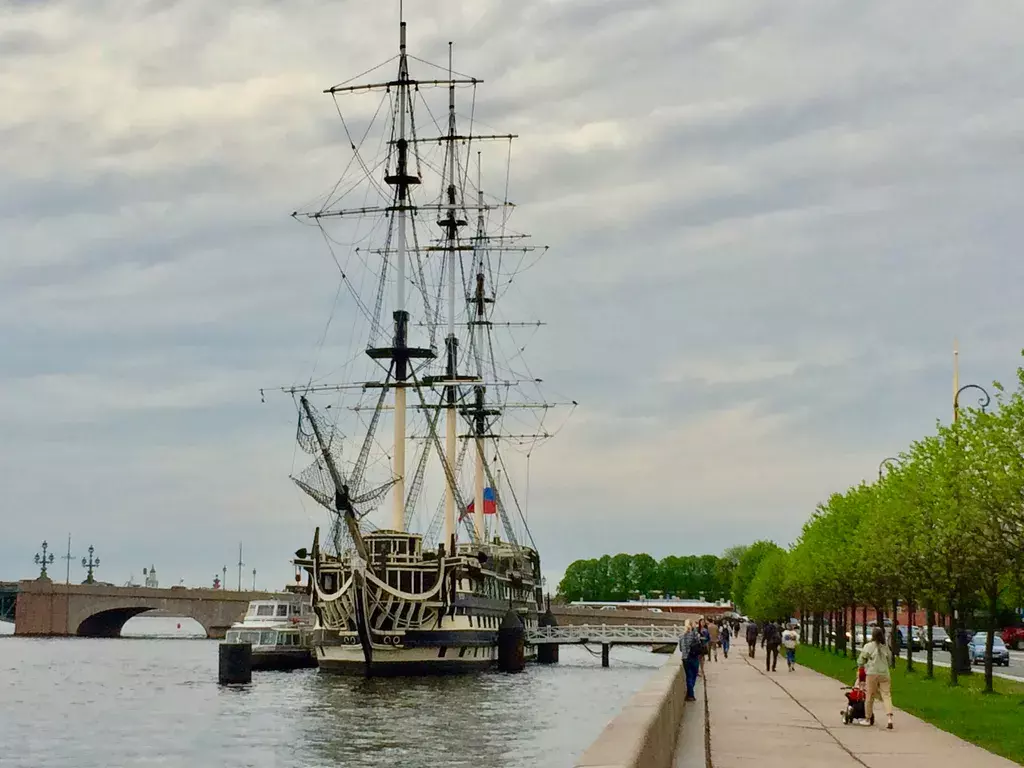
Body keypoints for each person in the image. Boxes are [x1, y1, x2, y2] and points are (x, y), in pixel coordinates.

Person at [857, 626, 894, 729]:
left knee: (870, 695)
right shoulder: (885, 647)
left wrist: (861, 666)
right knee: (886, 695)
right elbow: (890, 661)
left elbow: (861, 660)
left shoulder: (868, 646)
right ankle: (889, 718)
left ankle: (867, 718)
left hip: (872, 673)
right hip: (885, 674)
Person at [678, 620, 702, 702]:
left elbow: (681, 649)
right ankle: (690, 693)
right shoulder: (696, 635)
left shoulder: (681, 636)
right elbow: (699, 645)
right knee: (694, 676)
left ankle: (690, 694)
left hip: (685, 658)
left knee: (689, 676)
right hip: (694, 657)